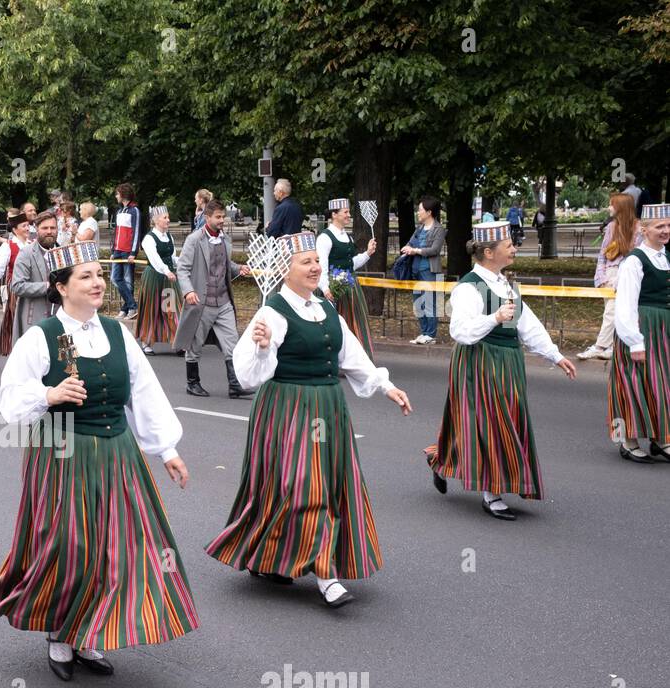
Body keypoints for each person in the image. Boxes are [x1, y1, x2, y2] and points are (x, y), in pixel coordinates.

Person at [0, 240, 198, 679]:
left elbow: (143, 394)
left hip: (117, 450)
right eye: (87, 276)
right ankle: (61, 632)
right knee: (70, 544)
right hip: (62, 453)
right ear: (61, 287)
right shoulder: (42, 337)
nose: (98, 283)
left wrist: (166, 450)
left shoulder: (118, 333)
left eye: (100, 274)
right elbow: (8, 399)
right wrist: (49, 394)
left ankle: (90, 629)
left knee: (116, 545)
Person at [207, 230, 411, 607]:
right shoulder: (272, 313)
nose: (316, 267)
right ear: (286, 270)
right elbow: (250, 374)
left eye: (317, 260)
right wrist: (264, 348)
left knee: (307, 485)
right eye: (307, 262)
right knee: (307, 485)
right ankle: (325, 573)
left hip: (329, 407)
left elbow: (352, 357)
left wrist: (386, 387)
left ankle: (268, 555)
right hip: (289, 408)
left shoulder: (326, 309)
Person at [424, 221, 577, 518]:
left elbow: (526, 323)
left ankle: (440, 458)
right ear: (490, 252)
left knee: (489, 423)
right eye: (509, 245)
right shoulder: (468, 286)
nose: (514, 249)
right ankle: (491, 493)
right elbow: (460, 331)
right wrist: (494, 318)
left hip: (508, 363)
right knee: (491, 425)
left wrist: (555, 355)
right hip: (479, 362)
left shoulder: (504, 283)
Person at [608, 202, 670, 463]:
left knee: (662, 384)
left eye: (668, 225)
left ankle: (661, 438)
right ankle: (627, 440)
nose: (665, 230)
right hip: (641, 328)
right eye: (660, 226)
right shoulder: (634, 261)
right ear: (644, 230)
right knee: (633, 385)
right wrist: (635, 341)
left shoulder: (666, 256)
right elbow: (625, 304)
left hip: (663, 330)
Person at [173, 200, 254, 400]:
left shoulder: (225, 239)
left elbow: (226, 264)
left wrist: (238, 268)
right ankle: (193, 383)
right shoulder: (194, 239)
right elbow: (182, 269)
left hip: (224, 301)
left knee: (232, 344)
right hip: (202, 302)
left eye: (222, 217)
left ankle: (235, 385)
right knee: (195, 345)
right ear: (207, 218)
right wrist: (188, 291)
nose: (221, 220)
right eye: (217, 217)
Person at [578, 192, 641, 361]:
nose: (608, 207)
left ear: (621, 207)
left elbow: (638, 255)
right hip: (610, 274)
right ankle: (612, 346)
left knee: (612, 312)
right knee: (612, 311)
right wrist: (600, 277)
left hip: (627, 273)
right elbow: (602, 254)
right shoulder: (612, 227)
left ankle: (600, 346)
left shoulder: (638, 228)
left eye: (612, 204)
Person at [317, 198, 378, 359]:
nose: (348, 215)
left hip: (351, 287)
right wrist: (325, 288)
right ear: (334, 214)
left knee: (356, 323)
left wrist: (367, 253)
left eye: (348, 212)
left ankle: (355, 360)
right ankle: (334, 359)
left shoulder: (347, 237)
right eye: (345, 212)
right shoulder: (325, 237)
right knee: (336, 325)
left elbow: (351, 264)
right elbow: (321, 265)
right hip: (334, 287)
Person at [135, 205, 182, 355]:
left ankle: (178, 342)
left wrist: (182, 264)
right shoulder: (148, 238)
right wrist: (167, 271)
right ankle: (146, 342)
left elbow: (172, 257)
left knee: (172, 308)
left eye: (168, 217)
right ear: (156, 220)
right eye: (165, 218)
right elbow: (154, 259)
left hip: (169, 278)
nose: (168, 220)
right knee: (152, 308)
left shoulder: (169, 236)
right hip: (154, 278)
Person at [401, 196, 446, 345]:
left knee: (430, 303)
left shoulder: (439, 229)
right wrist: (407, 248)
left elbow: (434, 250)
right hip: (416, 271)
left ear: (429, 212)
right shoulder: (419, 229)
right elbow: (410, 242)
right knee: (418, 303)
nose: (417, 212)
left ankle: (431, 335)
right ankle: (424, 332)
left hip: (431, 272)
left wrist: (415, 251)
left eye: (420, 210)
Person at [9, 210, 60, 335]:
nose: (49, 231)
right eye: (45, 228)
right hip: (35, 321)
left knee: (62, 355)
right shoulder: (26, 253)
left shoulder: (64, 252)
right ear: (37, 229)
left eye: (52, 228)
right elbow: (17, 286)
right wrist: (48, 287)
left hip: (61, 321)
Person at [0, 210, 29, 352]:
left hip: (32, 288)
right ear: (15, 229)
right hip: (16, 291)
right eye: (24, 226)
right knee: (16, 322)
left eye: (28, 225)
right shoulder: (8, 246)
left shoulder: (32, 244)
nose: (28, 228)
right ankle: (16, 352)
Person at [110, 182, 140, 319]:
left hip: (128, 251)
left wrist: (133, 252)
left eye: (117, 193)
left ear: (123, 194)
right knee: (115, 279)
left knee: (128, 280)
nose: (116, 196)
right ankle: (131, 305)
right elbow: (116, 232)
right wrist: (112, 250)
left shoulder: (134, 211)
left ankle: (126, 308)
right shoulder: (119, 211)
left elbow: (136, 231)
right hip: (117, 250)